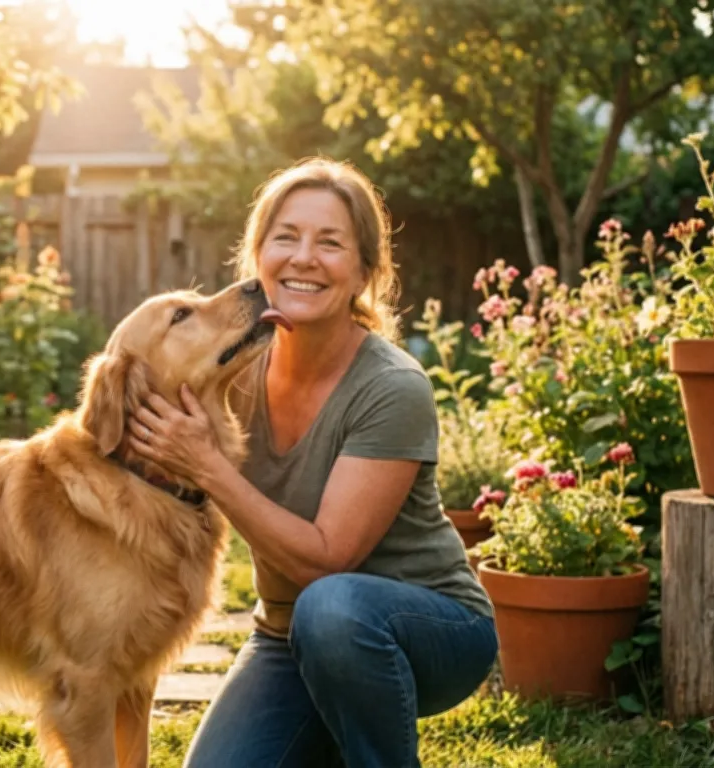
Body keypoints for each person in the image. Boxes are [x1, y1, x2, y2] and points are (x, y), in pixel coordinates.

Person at [125, 157, 499, 767]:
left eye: (330, 243)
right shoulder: (231, 372)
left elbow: (327, 561)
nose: (303, 258)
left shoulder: (391, 388)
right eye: (286, 238)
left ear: (363, 273)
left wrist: (207, 467)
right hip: (285, 634)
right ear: (258, 256)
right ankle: (328, 721)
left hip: (428, 627)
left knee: (332, 608)